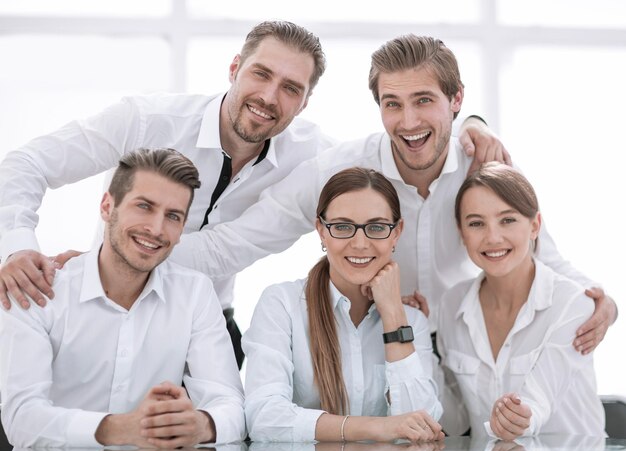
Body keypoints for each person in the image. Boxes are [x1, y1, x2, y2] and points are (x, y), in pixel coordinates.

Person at [0, 21, 504, 367]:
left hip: (206, 325)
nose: (269, 97)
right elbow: (24, 165)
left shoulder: (316, 158)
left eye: (291, 88)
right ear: (234, 68)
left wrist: (473, 124)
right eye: (261, 74)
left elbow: (399, 165)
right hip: (105, 305)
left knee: (221, 431)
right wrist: (20, 244)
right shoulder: (146, 120)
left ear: (306, 102)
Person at [159, 34, 617, 354]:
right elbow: (233, 244)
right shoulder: (340, 170)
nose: (409, 122)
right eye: (392, 104)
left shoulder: (484, 165)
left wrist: (601, 301)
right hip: (374, 350)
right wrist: (116, 261)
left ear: (456, 100)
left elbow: (541, 254)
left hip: (466, 347)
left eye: (423, 100)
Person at [0, 148, 245, 448]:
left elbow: (232, 406)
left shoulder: (194, 293)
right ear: (107, 206)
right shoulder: (40, 290)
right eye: (144, 206)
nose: (156, 229)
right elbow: (21, 418)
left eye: (172, 216)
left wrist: (201, 424)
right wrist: (121, 428)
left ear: (182, 229)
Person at [244, 167, 443, 443]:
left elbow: (423, 426)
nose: (359, 244)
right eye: (342, 227)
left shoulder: (411, 321)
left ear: (396, 233)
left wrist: (393, 315)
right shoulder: (282, 305)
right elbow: (264, 417)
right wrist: (377, 427)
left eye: (376, 227)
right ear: (321, 232)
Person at [437, 162, 605, 439]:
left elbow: (535, 406)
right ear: (461, 232)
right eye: (476, 223)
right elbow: (454, 423)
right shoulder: (450, 304)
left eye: (508, 220)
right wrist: (411, 337)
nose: (493, 237)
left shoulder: (572, 304)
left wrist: (518, 417)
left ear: (535, 225)